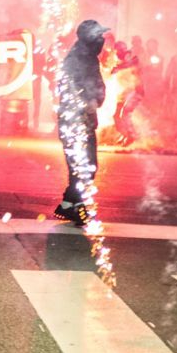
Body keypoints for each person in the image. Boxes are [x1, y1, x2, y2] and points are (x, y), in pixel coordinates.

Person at [54, 19, 109, 226]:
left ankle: (68, 205)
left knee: (84, 165)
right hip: (76, 121)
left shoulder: (87, 57)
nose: (102, 39)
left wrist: (95, 100)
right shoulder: (78, 58)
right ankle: (77, 207)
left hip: (81, 120)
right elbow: (68, 87)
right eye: (98, 35)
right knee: (84, 165)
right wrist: (87, 102)